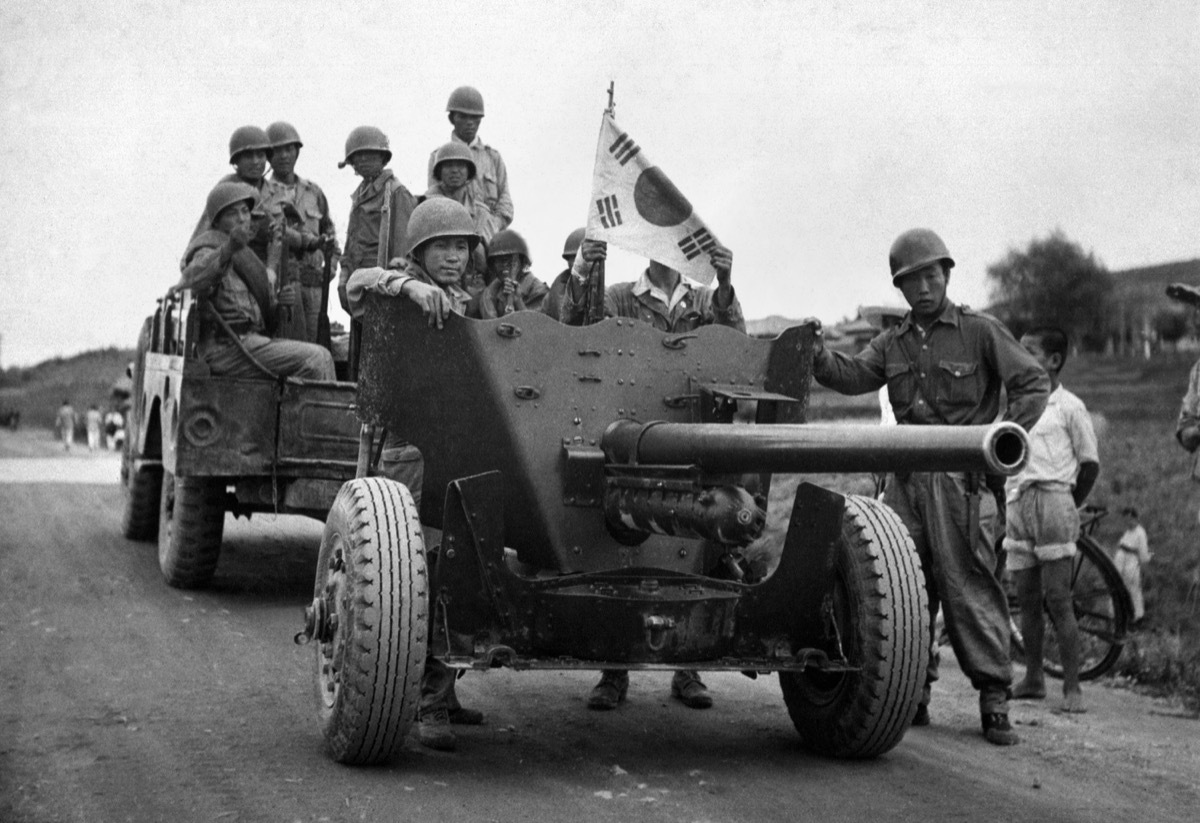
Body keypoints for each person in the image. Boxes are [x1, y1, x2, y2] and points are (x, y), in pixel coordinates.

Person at [804, 228, 1050, 746]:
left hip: (961, 482)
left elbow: (1031, 382)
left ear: (947, 275)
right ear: (900, 287)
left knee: (969, 585)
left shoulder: (980, 332)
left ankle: (993, 699)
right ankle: (913, 692)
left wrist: (1001, 441)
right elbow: (852, 376)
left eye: (932, 276)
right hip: (906, 479)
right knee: (905, 590)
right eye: (912, 280)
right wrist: (817, 354)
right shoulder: (892, 342)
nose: (923, 287)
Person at [559, 238, 742, 711]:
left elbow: (734, 348)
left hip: (691, 434)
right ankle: (614, 671)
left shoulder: (704, 302)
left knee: (695, 550)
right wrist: (582, 271)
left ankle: (688, 670)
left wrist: (724, 286)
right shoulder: (620, 297)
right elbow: (577, 330)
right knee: (625, 549)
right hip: (631, 431)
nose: (673, 252)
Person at [346, 198, 485, 752]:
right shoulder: (399, 287)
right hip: (407, 456)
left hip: (456, 450)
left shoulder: (468, 302)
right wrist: (404, 286)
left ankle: (443, 692)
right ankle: (426, 705)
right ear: (421, 250)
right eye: (442, 247)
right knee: (416, 575)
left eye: (461, 246)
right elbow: (353, 285)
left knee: (458, 569)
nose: (453, 257)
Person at [1003, 327, 1099, 714]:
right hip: (1018, 499)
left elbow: (1090, 464)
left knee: (1058, 598)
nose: (1022, 358)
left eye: (1031, 352)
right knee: (1025, 598)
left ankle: (1072, 688)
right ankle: (1033, 678)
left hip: (1054, 499)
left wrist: (1067, 503)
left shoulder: (1069, 407)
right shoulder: (1017, 405)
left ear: (1054, 361)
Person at [176, 181, 335, 381]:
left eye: (245, 211)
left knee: (320, 357)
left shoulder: (245, 255)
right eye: (232, 213)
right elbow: (194, 280)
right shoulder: (207, 250)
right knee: (317, 359)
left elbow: (260, 317)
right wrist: (228, 250)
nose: (242, 218)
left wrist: (279, 305)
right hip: (225, 349)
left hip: (249, 343)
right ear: (216, 221)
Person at [266, 121, 339, 342]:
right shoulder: (264, 194)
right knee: (289, 343)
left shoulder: (313, 192)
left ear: (297, 152)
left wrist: (332, 267)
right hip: (284, 286)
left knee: (317, 342)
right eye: (277, 151)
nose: (284, 156)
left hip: (315, 285)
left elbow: (330, 232)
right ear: (268, 156)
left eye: (289, 149)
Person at [337, 126, 419, 314]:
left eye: (370, 155)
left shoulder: (397, 192)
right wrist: (344, 273)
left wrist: (395, 280)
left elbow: (403, 248)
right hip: (358, 279)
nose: (364, 161)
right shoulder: (359, 195)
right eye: (359, 156)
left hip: (382, 280)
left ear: (383, 158)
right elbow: (352, 240)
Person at [189, 126, 283, 266]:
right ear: (236, 162)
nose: (256, 161)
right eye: (248, 156)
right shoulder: (225, 191)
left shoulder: (277, 192)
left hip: (273, 272)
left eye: (260, 155)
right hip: (235, 272)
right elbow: (200, 240)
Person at [427, 86, 513, 239]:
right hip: (451, 235)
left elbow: (506, 204)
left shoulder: (493, 158)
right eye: (463, 117)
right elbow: (434, 200)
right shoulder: (438, 157)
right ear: (452, 119)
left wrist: (491, 225)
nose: (470, 123)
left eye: (475, 118)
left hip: (489, 236)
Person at [469, 229, 549, 318]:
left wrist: (518, 302)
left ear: (522, 262)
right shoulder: (490, 293)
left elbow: (539, 327)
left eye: (509, 260)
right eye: (498, 261)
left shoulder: (538, 291)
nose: (504, 266)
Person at [1115, 507, 1152, 623]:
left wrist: (1144, 570)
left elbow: (1144, 553)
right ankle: (1119, 615)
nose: (1128, 522)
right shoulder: (1128, 531)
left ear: (1135, 518)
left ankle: (1137, 617)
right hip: (1121, 560)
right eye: (1125, 519)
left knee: (1133, 589)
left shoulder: (1140, 533)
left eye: (1130, 519)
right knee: (1118, 587)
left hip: (1131, 562)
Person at [542, 227, 585, 322]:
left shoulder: (604, 295)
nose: (575, 263)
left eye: (579, 258)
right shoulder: (552, 296)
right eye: (571, 258)